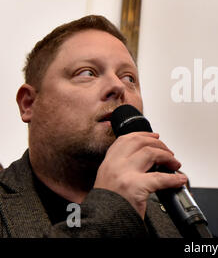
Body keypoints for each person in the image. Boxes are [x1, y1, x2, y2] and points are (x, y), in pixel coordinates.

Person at [0, 15, 189, 237]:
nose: (118, 86)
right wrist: (112, 208)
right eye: (87, 73)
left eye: (129, 78)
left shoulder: (170, 202)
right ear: (28, 103)